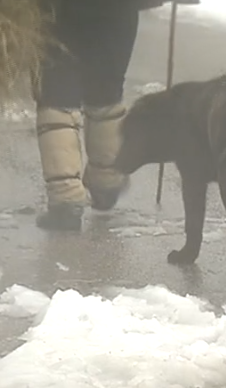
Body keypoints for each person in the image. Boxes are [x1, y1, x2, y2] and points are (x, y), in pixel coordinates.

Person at [32, 0, 198, 232]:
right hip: (119, 10)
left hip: (60, 11)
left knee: (56, 96)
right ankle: (107, 181)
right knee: (105, 92)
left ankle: (66, 200)